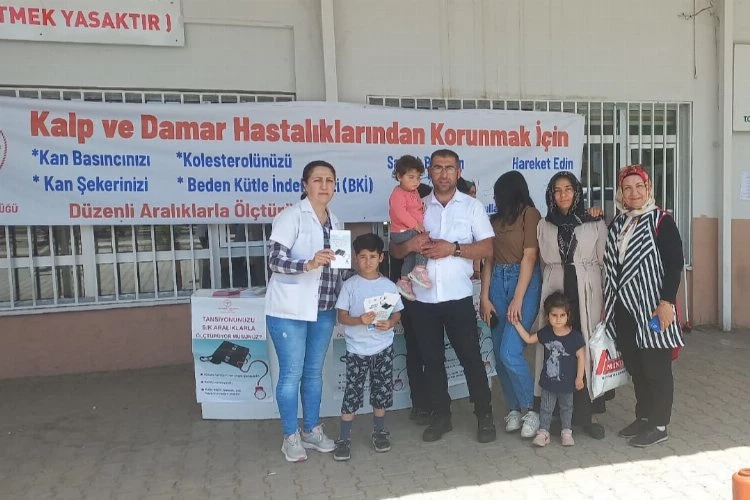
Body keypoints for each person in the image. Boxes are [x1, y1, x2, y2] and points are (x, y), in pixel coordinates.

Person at [390, 148, 497, 444]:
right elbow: (395, 249)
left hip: (458, 298)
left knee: (471, 359)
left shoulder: (472, 207)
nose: (444, 173)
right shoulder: (416, 204)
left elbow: (488, 248)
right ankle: (441, 417)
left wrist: (454, 249)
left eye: (450, 167)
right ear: (429, 172)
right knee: (431, 362)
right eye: (438, 167)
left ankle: (484, 416)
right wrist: (411, 246)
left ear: (458, 172)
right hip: (422, 301)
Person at [265, 160, 344, 463]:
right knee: (291, 374)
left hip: (323, 310)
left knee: (313, 373)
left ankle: (311, 429)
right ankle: (290, 436)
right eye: (317, 180)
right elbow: (274, 260)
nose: (324, 186)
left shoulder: (336, 220)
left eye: (329, 180)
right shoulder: (291, 217)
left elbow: (339, 268)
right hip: (290, 310)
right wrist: (308, 264)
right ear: (305, 185)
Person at [603, 164, 684, 448]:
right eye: (627, 188)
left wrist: (666, 302)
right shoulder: (619, 222)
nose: (634, 193)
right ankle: (645, 416)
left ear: (648, 189)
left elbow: (674, 264)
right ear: (621, 193)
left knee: (656, 367)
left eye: (639, 187)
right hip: (624, 307)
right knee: (636, 366)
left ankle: (659, 425)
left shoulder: (661, 221)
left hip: (653, 308)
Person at [534, 171, 608, 439]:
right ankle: (555, 414)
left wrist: (605, 301)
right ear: (551, 195)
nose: (563, 194)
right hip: (556, 289)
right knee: (556, 348)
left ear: (577, 192)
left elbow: (604, 263)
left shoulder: (594, 222)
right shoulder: (544, 225)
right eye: (557, 190)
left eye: (568, 189)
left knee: (585, 348)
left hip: (587, 292)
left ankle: (589, 414)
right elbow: (543, 262)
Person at [479, 171, 542, 439]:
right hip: (496, 283)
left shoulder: (530, 214)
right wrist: (484, 297)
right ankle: (514, 408)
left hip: (523, 283)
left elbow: (530, 257)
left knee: (510, 351)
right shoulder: (494, 220)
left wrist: (518, 297)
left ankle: (533, 408)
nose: (495, 198)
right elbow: (488, 261)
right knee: (498, 353)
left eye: (498, 193)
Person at [333, 233, 403, 461]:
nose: (368, 261)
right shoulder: (350, 286)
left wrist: (390, 323)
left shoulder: (389, 286)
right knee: (352, 393)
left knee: (381, 392)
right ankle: (344, 438)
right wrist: (359, 320)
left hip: (383, 348)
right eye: (362, 257)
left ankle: (379, 432)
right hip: (357, 351)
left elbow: (397, 312)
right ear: (355, 258)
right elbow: (342, 317)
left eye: (373, 256)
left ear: (381, 257)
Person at [512, 292, 585, 447]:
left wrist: (579, 377)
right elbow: (529, 339)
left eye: (562, 315)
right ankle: (543, 432)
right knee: (545, 408)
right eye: (554, 315)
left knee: (567, 408)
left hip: (568, 383)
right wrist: (516, 324)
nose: (558, 319)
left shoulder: (575, 337)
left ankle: (567, 432)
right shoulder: (546, 333)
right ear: (547, 315)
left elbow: (581, 357)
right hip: (548, 383)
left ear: (568, 315)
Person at [389, 155, 432, 300]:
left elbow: (416, 206)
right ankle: (420, 269)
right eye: (411, 177)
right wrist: (415, 225)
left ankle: (404, 281)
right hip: (401, 232)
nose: (416, 182)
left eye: (418, 178)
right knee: (423, 241)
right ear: (399, 177)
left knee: (410, 256)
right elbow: (399, 212)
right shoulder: (398, 193)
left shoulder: (414, 191)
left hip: (408, 230)